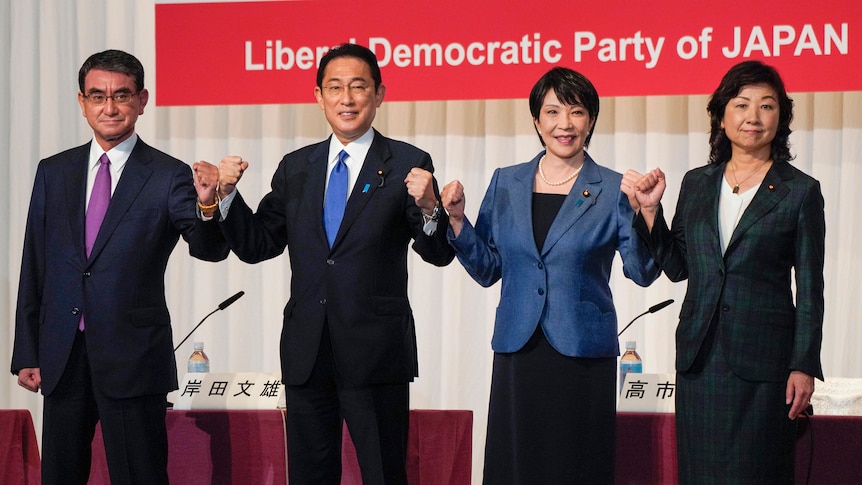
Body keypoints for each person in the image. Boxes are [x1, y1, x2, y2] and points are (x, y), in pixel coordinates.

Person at [194, 43, 455, 484]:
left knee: (383, 472)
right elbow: (259, 245)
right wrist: (226, 196)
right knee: (310, 474)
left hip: (375, 352)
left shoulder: (409, 163)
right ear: (319, 96)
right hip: (307, 351)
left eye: (358, 87)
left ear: (379, 94)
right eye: (335, 87)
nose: (347, 99)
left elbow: (438, 252)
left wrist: (431, 208)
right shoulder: (297, 167)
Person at [10, 49, 228, 484]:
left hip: (133, 359)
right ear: (82, 101)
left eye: (122, 95)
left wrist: (208, 204)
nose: (109, 107)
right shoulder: (54, 172)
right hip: (63, 355)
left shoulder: (169, 175)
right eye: (98, 96)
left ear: (142, 100)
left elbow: (210, 249)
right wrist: (27, 350)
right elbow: (35, 262)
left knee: (140, 475)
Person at [440, 67, 660, 484]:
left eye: (576, 112)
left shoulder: (614, 188)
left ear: (591, 120)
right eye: (553, 112)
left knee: (575, 466)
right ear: (537, 121)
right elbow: (488, 269)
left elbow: (642, 271)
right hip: (519, 350)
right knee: (517, 465)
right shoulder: (507, 182)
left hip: (580, 353)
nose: (565, 124)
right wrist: (455, 220)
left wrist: (646, 213)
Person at [623, 60, 825, 483]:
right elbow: (678, 267)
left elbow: (809, 287)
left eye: (767, 106)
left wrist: (803, 364)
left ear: (781, 118)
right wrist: (650, 211)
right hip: (701, 358)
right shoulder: (697, 183)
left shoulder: (800, 191)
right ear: (721, 115)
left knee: (759, 471)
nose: (753, 117)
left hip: (765, 364)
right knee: (700, 472)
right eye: (742, 104)